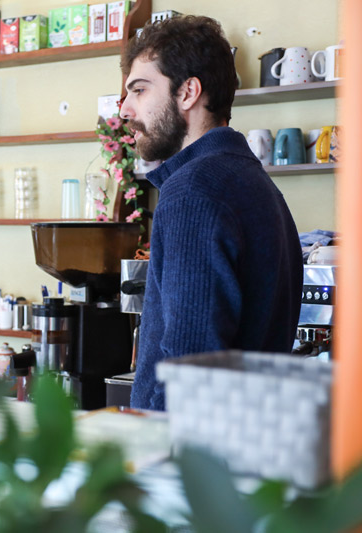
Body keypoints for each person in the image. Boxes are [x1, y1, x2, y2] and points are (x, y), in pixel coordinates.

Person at [119, 16, 303, 410]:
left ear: (188, 92)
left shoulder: (193, 192)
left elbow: (189, 369)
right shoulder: (253, 182)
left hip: (189, 459)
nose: (125, 109)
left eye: (139, 89)